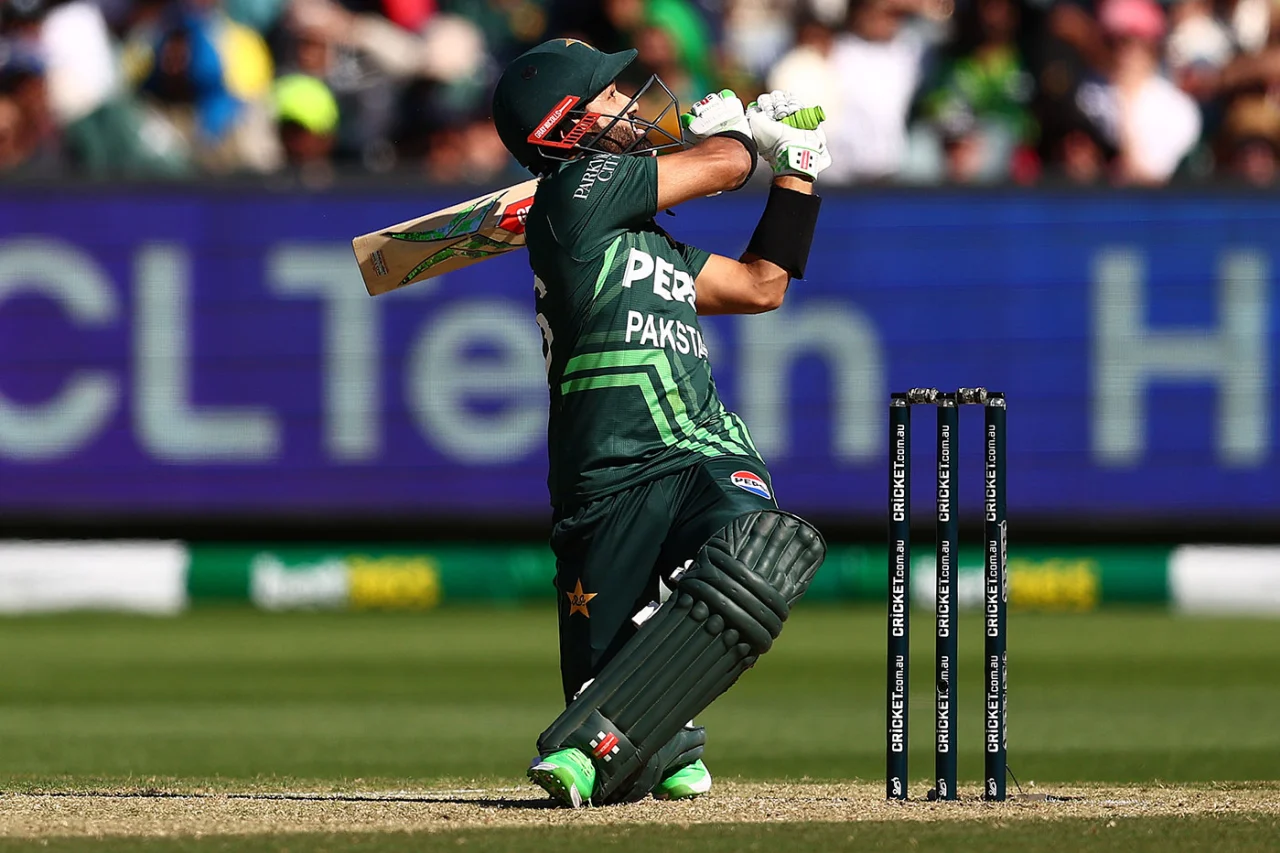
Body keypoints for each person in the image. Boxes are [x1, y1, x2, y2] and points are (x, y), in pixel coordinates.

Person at [489, 38, 830, 808]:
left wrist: (798, 171)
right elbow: (722, 168)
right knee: (619, 723)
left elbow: (757, 286)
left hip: (697, 449)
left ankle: (618, 740)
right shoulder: (574, 196)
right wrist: (739, 137)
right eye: (611, 96)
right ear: (564, 129)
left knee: (755, 543)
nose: (633, 103)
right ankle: (659, 740)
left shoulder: (638, 236)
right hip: (602, 484)